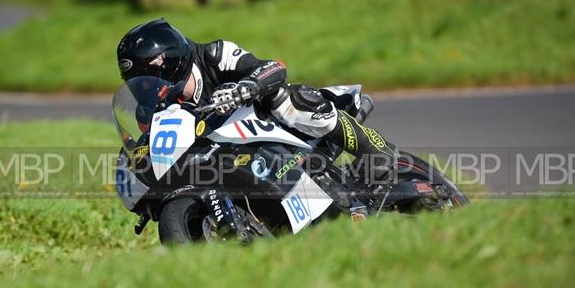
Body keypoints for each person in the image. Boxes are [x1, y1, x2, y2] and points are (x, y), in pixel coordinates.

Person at [116, 18, 399, 186]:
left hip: (264, 122)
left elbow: (273, 68)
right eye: (138, 83)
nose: (147, 89)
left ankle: (375, 151)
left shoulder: (215, 54)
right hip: (224, 157)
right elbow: (152, 148)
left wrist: (247, 87)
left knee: (285, 99)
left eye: (149, 78)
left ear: (170, 62)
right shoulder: (151, 109)